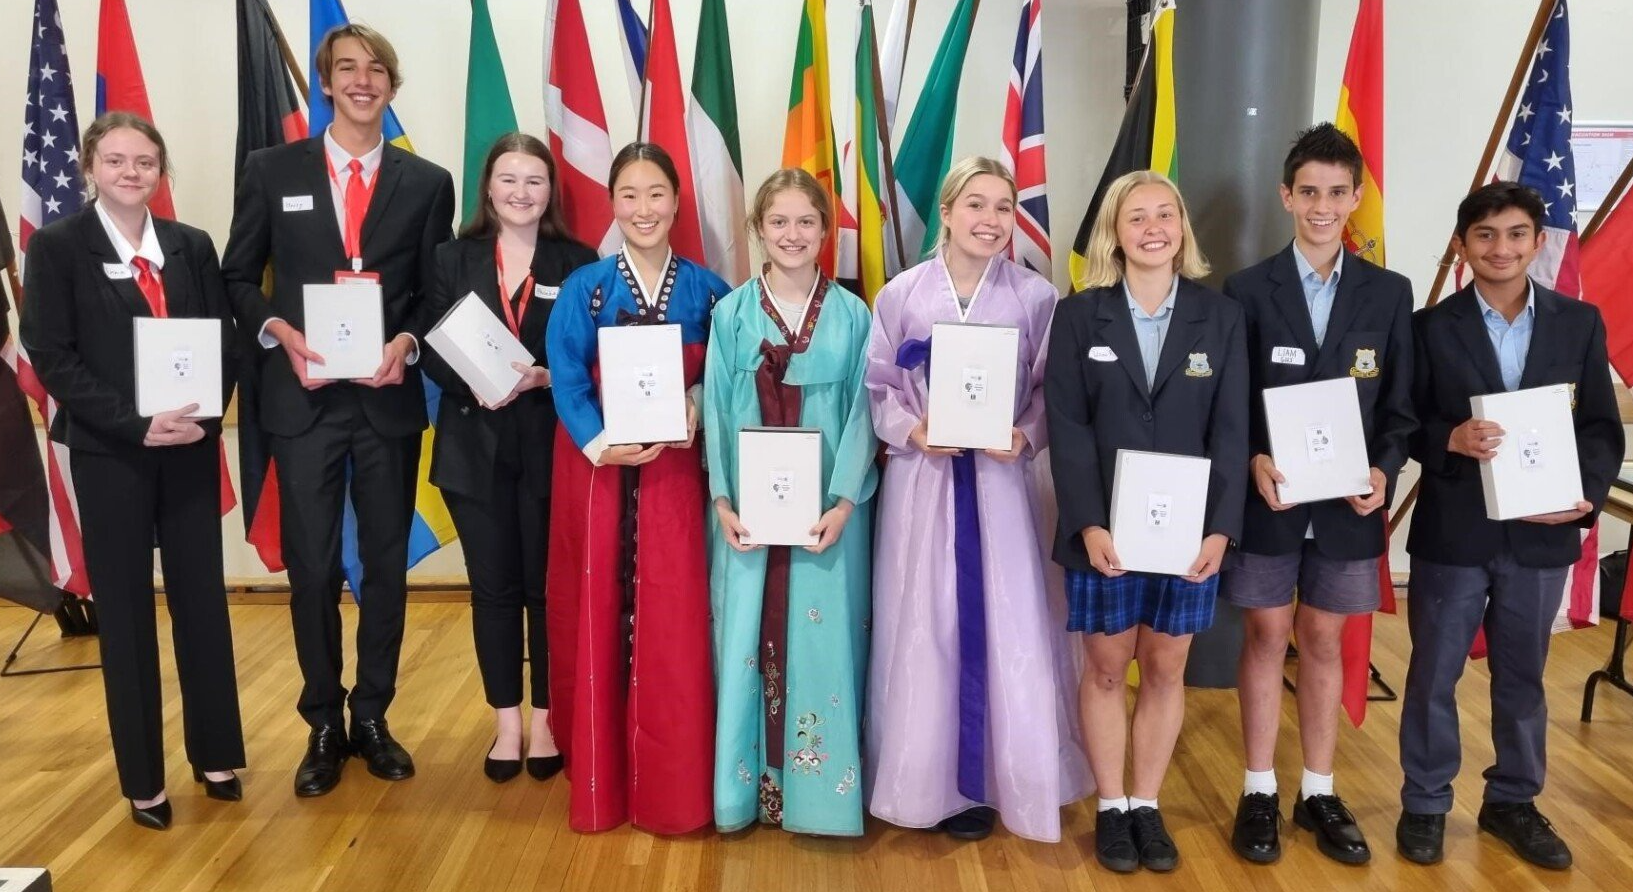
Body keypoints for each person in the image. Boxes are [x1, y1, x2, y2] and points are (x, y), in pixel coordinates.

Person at [220, 23, 455, 797]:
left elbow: (433, 291)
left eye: (376, 69)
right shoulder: (270, 169)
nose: (362, 80)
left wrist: (409, 343)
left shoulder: (426, 182)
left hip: (385, 403)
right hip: (304, 402)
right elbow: (234, 279)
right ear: (326, 83)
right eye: (347, 69)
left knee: (383, 569)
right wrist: (276, 329)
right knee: (314, 570)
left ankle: (374, 715)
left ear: (391, 85)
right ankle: (323, 719)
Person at [20, 112, 245, 830]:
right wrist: (135, 422)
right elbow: (51, 355)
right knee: (124, 614)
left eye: (145, 162)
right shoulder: (57, 247)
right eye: (116, 160)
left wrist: (201, 420)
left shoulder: (191, 246)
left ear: (161, 171)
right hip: (109, 452)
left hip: (187, 447)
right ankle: (143, 780)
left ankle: (216, 754)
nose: (130, 173)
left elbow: (221, 341)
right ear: (90, 166)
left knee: (202, 604)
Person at [1396, 182, 1621, 870]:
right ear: (1461, 245)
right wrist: (1448, 440)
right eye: (1485, 235)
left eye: (1516, 234)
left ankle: (1513, 802)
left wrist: (1580, 497)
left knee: (1522, 676)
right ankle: (1425, 802)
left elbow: (1599, 431)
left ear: (1537, 241)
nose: (1501, 248)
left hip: (1540, 536)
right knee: (1433, 674)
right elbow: (1403, 422)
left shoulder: (1577, 322)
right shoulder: (1428, 326)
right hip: (1453, 533)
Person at [866, 156, 1089, 843]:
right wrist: (912, 428)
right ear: (946, 210)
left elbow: (1056, 392)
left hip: (1001, 487)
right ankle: (929, 781)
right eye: (975, 205)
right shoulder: (900, 294)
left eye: (1002, 207)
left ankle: (1008, 776)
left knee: (1010, 620)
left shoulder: (1034, 299)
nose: (989, 220)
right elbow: (877, 386)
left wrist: (1023, 436)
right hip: (924, 486)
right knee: (925, 620)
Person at [1220, 123, 1416, 866]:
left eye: (1337, 192)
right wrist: (1251, 460)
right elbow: (1231, 406)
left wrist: (1382, 470)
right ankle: (1259, 787)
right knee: (1267, 637)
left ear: (1356, 196)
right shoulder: (1245, 290)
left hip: (1347, 508)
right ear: (1285, 196)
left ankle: (1319, 789)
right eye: (1309, 192)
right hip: (1270, 503)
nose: (1323, 206)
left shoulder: (1388, 294)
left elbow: (1400, 408)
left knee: (1327, 640)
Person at [1045, 170, 1248, 872]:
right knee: (1105, 668)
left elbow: (1231, 429)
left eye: (1166, 214)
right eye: (1137, 217)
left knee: (1165, 667)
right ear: (1114, 232)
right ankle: (1109, 806)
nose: (1153, 227)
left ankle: (1145, 805)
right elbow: (1066, 428)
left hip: (1188, 534)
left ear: (1182, 228)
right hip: (1106, 531)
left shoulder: (1219, 317)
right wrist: (1088, 525)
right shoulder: (1079, 315)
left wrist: (1220, 528)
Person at [543, 141, 728, 834]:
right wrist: (601, 442)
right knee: (600, 610)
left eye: (656, 194)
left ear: (677, 201)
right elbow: (564, 375)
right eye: (629, 195)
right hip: (602, 471)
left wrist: (697, 399)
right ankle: (606, 774)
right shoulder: (585, 289)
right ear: (611, 203)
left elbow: (729, 369)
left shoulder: (708, 291)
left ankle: (674, 778)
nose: (643, 209)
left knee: (672, 616)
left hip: (677, 473)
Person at [418, 133, 597, 783]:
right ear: (487, 188)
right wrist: (473, 378)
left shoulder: (577, 261)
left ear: (551, 192)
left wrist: (550, 376)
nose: (522, 192)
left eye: (534, 181)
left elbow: (590, 350)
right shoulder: (450, 257)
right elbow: (430, 340)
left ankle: (548, 719)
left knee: (545, 591)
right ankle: (505, 723)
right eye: (508, 179)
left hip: (553, 447)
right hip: (474, 448)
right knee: (492, 591)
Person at [706, 169, 878, 836]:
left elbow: (865, 412)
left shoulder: (853, 314)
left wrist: (842, 502)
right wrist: (722, 499)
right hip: (749, 511)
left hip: (825, 518)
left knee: (822, 636)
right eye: (778, 222)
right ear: (758, 230)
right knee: (746, 635)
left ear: (825, 230)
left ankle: (819, 796)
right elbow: (718, 414)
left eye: (806, 221)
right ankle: (746, 792)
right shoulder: (732, 314)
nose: (792, 234)